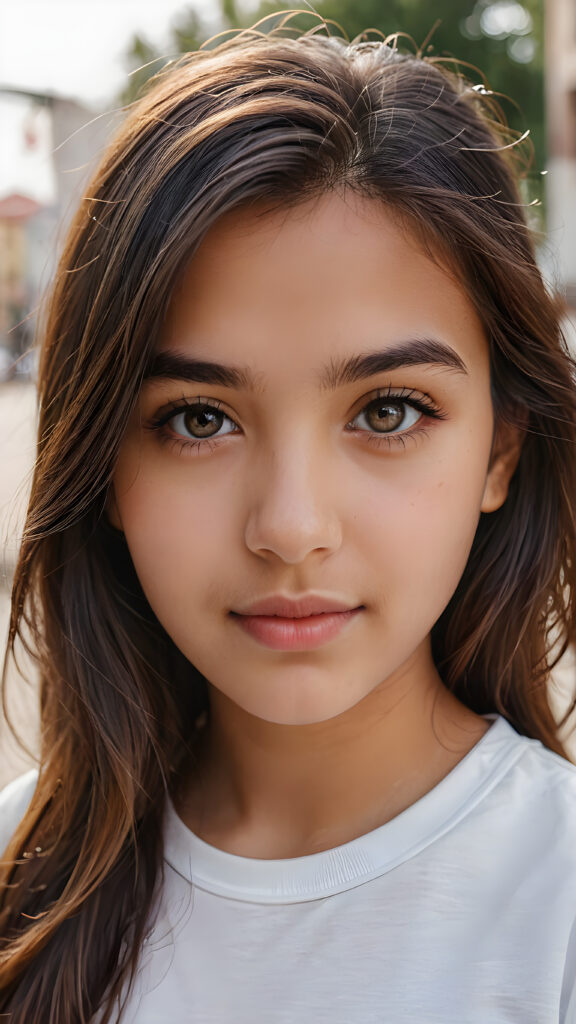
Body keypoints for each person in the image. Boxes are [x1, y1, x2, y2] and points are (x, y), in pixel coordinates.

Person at [1, 11, 576, 1023]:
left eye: (388, 412)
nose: (292, 525)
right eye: (199, 419)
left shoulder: (555, 910)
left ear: (501, 447)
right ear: (105, 465)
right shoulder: (17, 885)